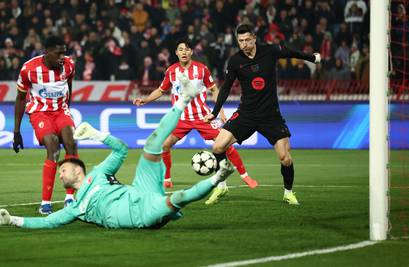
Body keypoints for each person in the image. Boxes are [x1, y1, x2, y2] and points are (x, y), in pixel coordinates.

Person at [0, 72, 235, 229]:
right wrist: (13, 220)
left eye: (63, 169)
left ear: (78, 169)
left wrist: (97, 135)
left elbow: (122, 151)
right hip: (139, 215)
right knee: (179, 198)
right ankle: (218, 177)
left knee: (152, 144)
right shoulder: (76, 208)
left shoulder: (99, 172)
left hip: (139, 189)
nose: (60, 173)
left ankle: (185, 98)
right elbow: (49, 222)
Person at [204, 23, 321, 205]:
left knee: (285, 158)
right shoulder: (235, 61)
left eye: (247, 40)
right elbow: (226, 87)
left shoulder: (271, 51)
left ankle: (288, 192)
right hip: (246, 114)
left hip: (270, 115)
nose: (244, 44)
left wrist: (311, 58)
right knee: (218, 147)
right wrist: (215, 112)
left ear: (254, 38)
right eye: (240, 41)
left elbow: (290, 52)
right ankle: (222, 187)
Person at [133, 38, 257, 205]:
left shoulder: (202, 69)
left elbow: (214, 90)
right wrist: (145, 100)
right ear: (176, 53)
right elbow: (161, 90)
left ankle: (244, 175)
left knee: (225, 143)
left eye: (187, 49)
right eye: (181, 49)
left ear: (191, 52)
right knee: (164, 145)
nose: (184, 52)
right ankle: (167, 177)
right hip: (181, 118)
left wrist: (219, 112)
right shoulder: (171, 71)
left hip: (202, 116)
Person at [13, 36, 78, 215]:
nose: (62, 57)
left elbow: (69, 86)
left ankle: (70, 197)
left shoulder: (69, 65)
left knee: (71, 143)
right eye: (58, 53)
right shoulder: (28, 69)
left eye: (64, 53)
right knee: (53, 146)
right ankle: (45, 203)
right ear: (47, 52)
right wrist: (16, 131)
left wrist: (67, 110)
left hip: (61, 111)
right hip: (40, 113)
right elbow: (20, 99)